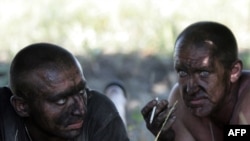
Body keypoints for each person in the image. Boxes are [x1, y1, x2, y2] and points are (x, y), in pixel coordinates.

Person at [141, 21, 250, 141]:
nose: (190, 88)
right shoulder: (180, 100)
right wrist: (166, 138)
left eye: (204, 73)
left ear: (234, 72)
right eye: (182, 73)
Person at [0, 43, 129, 141]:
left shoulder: (101, 117)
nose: (81, 110)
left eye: (81, 91)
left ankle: (115, 93)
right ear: (21, 106)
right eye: (61, 100)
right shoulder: (4, 120)